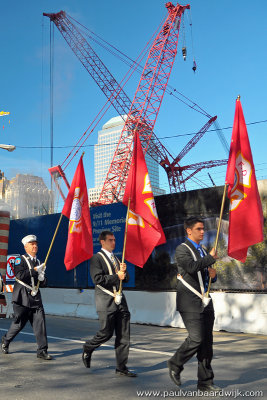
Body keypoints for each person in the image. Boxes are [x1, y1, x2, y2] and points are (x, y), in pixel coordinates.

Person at [167, 216, 220, 393]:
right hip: (189, 301)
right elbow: (190, 267)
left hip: (205, 301)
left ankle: (205, 382)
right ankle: (175, 363)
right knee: (196, 338)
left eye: (203, 228)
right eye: (199, 229)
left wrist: (213, 275)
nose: (203, 231)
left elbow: (206, 274)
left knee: (206, 344)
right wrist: (210, 259)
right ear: (189, 231)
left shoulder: (203, 251)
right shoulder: (182, 249)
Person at [82, 230, 137, 377]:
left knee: (124, 335)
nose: (114, 242)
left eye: (114, 240)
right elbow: (97, 279)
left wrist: (124, 273)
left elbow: (124, 279)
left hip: (121, 301)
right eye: (110, 240)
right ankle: (88, 347)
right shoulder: (96, 258)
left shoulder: (117, 259)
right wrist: (116, 276)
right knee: (106, 333)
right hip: (105, 301)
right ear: (102, 242)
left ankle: (121, 367)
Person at [1, 235, 52, 360]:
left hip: (35, 298)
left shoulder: (39, 262)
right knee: (19, 323)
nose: (35, 246)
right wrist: (35, 271)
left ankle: (42, 350)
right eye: (32, 244)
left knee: (40, 324)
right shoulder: (20, 260)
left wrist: (42, 278)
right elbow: (19, 275)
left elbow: (44, 283)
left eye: (36, 244)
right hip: (22, 297)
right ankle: (6, 340)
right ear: (26, 247)